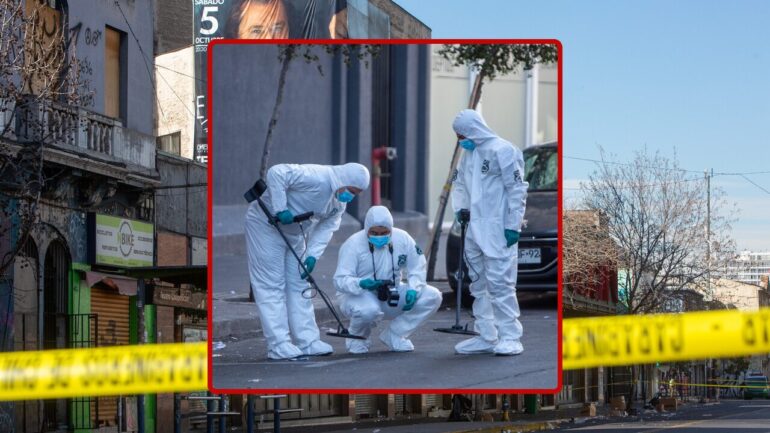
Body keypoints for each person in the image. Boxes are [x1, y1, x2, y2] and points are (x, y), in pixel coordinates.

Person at [246, 163, 370, 360]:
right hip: (266, 227)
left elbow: (326, 229)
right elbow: (276, 173)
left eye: (356, 193)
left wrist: (312, 255)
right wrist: (280, 208)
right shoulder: (317, 177)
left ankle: (308, 341)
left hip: (295, 235)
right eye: (351, 191)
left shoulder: (338, 203)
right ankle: (279, 345)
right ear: (343, 180)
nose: (351, 196)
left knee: (300, 284)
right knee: (271, 285)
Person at [450, 108, 528, 356]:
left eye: (461, 134)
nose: (460, 139)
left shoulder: (503, 150)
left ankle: (511, 336)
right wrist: (461, 209)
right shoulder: (469, 155)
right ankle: (487, 334)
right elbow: (460, 183)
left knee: (501, 284)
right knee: (478, 283)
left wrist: (512, 225)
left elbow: (517, 190)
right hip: (474, 228)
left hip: (497, 228)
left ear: (473, 129)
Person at [333, 206, 442, 354]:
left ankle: (395, 334)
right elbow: (339, 280)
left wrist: (413, 289)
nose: (379, 236)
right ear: (366, 229)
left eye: (384, 232)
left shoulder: (403, 239)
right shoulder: (353, 244)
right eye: (374, 233)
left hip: (392, 292)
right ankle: (357, 338)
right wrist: (360, 283)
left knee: (433, 296)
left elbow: (417, 266)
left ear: (391, 228)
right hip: (359, 295)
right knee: (368, 310)